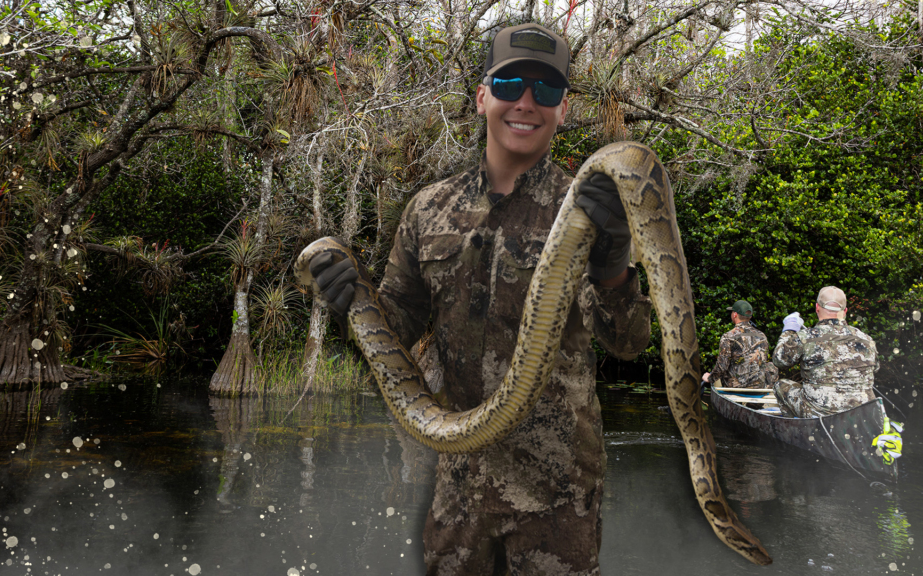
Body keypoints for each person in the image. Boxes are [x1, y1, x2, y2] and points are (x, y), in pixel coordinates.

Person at [309, 23, 651, 576]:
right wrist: (351, 297)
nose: (526, 102)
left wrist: (612, 268)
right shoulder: (428, 209)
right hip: (458, 490)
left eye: (546, 90)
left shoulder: (592, 210)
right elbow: (397, 325)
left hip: (558, 497)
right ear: (482, 97)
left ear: (563, 109)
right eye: (511, 83)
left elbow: (629, 343)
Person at [771, 286, 879, 417]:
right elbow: (875, 368)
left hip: (819, 414)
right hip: (862, 413)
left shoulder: (806, 337)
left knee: (781, 385)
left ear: (817, 307)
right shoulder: (866, 339)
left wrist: (789, 330)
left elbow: (779, 360)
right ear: (845, 311)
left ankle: (795, 426)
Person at [701, 300, 778, 389]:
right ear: (750, 316)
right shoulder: (762, 336)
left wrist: (709, 378)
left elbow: (722, 367)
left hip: (736, 388)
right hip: (759, 388)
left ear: (735, 314)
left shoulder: (729, 336)